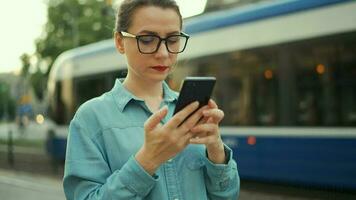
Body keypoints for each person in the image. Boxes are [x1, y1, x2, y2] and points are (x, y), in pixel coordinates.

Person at [63, 0, 240, 199]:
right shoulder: (90, 119)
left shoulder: (192, 110)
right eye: (147, 39)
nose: (163, 53)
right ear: (120, 42)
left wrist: (216, 151)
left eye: (172, 40)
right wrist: (148, 160)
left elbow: (227, 196)